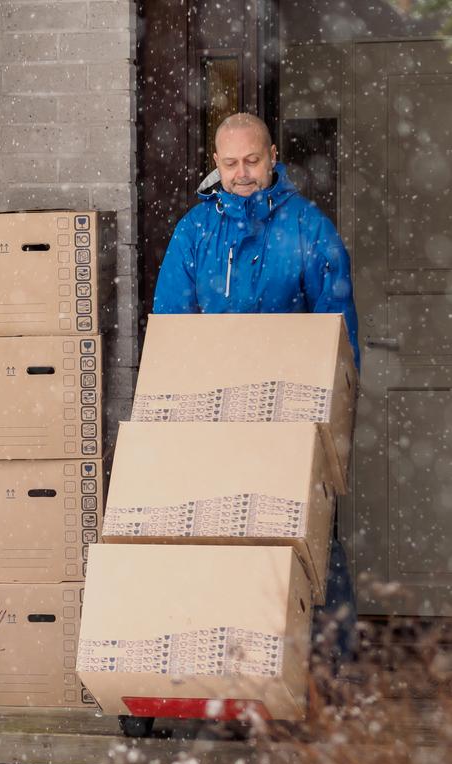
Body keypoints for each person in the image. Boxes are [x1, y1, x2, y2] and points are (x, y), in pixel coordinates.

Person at [152, 111, 359, 675]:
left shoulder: (308, 229)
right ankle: (224, 671)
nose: (242, 173)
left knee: (309, 546)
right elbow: (171, 328)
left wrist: (331, 433)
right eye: (229, 163)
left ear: (272, 157)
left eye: (251, 160)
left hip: (292, 424)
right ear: (214, 165)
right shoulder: (194, 232)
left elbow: (338, 340)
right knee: (220, 545)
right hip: (213, 423)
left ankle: (325, 676)